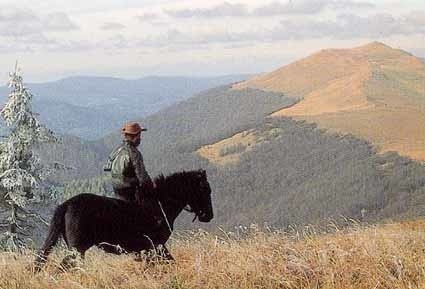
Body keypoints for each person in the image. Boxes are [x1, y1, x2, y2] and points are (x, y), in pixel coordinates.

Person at [105, 122, 154, 202]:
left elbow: (107, 167)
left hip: (116, 188)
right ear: (136, 136)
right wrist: (151, 186)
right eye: (139, 135)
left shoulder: (117, 149)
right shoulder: (134, 153)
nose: (140, 138)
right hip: (129, 191)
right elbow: (142, 177)